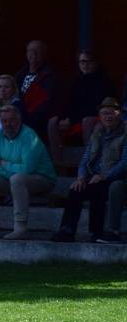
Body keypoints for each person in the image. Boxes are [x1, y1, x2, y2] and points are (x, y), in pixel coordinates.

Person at [0, 105, 57, 240]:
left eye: (11, 120)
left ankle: (20, 227)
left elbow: (28, 169)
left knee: (18, 179)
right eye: (4, 121)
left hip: (42, 179)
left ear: (19, 120)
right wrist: (12, 171)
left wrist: (7, 165)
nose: (8, 124)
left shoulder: (29, 136)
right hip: (14, 180)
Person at [51, 97, 127, 243]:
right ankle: (67, 230)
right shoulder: (97, 133)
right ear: (100, 116)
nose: (108, 117)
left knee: (98, 189)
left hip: (115, 177)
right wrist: (80, 177)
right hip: (95, 176)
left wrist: (104, 176)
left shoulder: (125, 134)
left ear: (119, 114)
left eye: (112, 113)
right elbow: (85, 159)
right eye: (105, 113)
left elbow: (124, 162)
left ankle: (96, 232)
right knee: (76, 189)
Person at [48, 49, 116, 164]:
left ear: (96, 62)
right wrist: (63, 118)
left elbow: (96, 107)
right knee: (52, 122)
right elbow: (68, 103)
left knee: (87, 121)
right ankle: (59, 165)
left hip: (95, 118)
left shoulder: (104, 81)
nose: (85, 65)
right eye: (82, 62)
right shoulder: (77, 81)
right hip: (75, 118)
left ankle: (90, 164)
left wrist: (72, 119)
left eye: (89, 61)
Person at [15, 40, 59, 141]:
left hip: (36, 119)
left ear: (44, 54)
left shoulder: (49, 75)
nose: (33, 53)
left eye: (37, 50)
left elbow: (47, 102)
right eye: (30, 50)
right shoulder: (20, 74)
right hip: (18, 115)